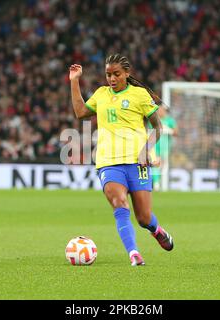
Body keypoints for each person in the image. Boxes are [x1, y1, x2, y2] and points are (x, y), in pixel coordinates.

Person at [69, 54, 174, 266]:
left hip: (137, 162)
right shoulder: (101, 94)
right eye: (108, 74)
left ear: (127, 73)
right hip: (108, 162)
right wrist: (74, 81)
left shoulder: (140, 95)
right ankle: (134, 253)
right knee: (120, 204)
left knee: (144, 218)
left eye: (116, 74)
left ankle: (157, 230)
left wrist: (147, 149)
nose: (112, 78)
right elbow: (80, 112)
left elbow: (157, 127)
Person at [151, 106, 177, 191]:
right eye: (158, 110)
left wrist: (169, 130)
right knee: (156, 164)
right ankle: (156, 184)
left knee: (163, 166)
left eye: (161, 110)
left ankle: (158, 182)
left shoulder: (170, 120)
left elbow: (176, 133)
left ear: (165, 111)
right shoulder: (154, 120)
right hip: (154, 146)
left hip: (165, 147)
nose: (159, 111)